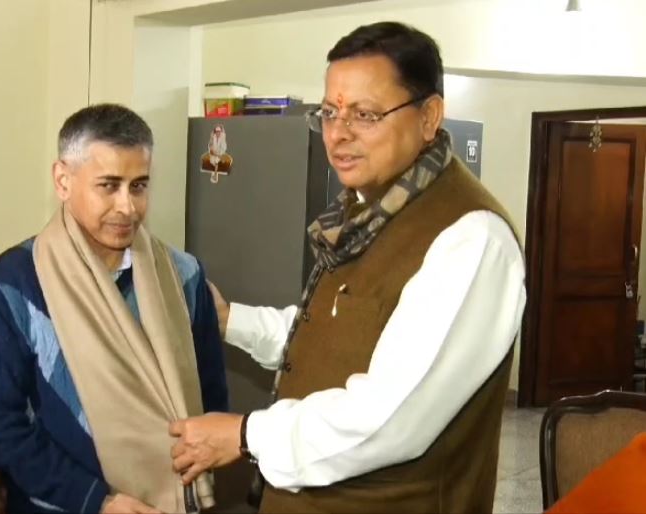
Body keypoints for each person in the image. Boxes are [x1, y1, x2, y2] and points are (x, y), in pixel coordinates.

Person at [170, 21, 527, 514]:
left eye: (365, 114)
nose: (338, 135)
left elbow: (390, 419)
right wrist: (230, 320)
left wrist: (245, 434)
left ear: (428, 117)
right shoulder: (366, 211)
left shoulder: (471, 239)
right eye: (330, 113)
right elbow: (332, 336)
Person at [0, 104, 229, 514]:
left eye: (139, 186)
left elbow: (211, 398)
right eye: (108, 186)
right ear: (63, 180)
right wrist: (95, 501)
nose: (127, 207)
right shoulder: (15, 284)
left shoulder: (184, 276)